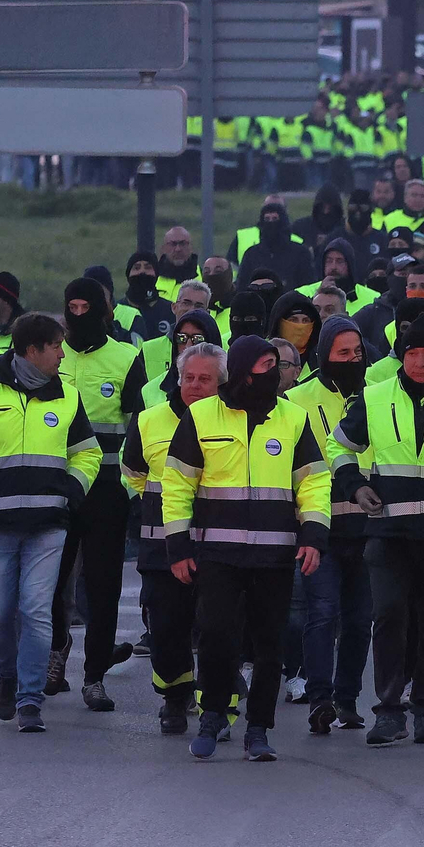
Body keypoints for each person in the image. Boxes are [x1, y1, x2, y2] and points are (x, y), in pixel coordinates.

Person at [162, 336, 331, 761]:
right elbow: (178, 483)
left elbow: (313, 480)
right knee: (217, 636)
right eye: (261, 365)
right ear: (239, 370)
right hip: (216, 554)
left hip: (275, 554)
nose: (269, 373)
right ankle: (213, 715)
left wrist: (313, 535)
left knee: (270, 645)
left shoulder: (293, 417)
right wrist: (178, 544)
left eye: (274, 364)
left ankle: (258, 728)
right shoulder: (201, 415)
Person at [329, 312, 424, 746]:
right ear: (401, 356)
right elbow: (337, 445)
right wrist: (354, 486)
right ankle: (389, 711)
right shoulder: (374, 397)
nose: (421, 362)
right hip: (388, 532)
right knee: (388, 616)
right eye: (413, 353)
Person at [0, 313, 101, 733]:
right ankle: (8, 676)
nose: (62, 353)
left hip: (49, 524)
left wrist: (72, 491)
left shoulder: (67, 395)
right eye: (55, 346)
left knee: (35, 611)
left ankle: (30, 699)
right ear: (32, 351)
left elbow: (89, 452)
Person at [122, 341, 223, 734]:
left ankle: (216, 703)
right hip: (161, 545)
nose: (195, 385)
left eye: (205, 379)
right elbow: (132, 474)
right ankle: (175, 696)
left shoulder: (233, 420)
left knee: (216, 626)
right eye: (188, 378)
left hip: (216, 542)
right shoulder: (148, 420)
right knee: (166, 627)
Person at [54, 278, 142, 710]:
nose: (78, 314)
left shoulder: (127, 358)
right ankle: (54, 657)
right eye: (72, 306)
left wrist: (127, 485)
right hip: (59, 487)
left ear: (105, 310)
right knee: (51, 581)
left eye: (86, 306)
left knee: (103, 584)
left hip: (107, 491)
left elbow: (137, 425)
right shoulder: (50, 353)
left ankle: (94, 677)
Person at [284, 316, 373, 733]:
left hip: (370, 526)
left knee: (359, 619)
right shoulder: (297, 400)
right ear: (324, 355)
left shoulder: (378, 394)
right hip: (319, 526)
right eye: (343, 353)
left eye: (358, 352)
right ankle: (320, 698)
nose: (353, 359)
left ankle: (348, 698)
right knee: (322, 612)